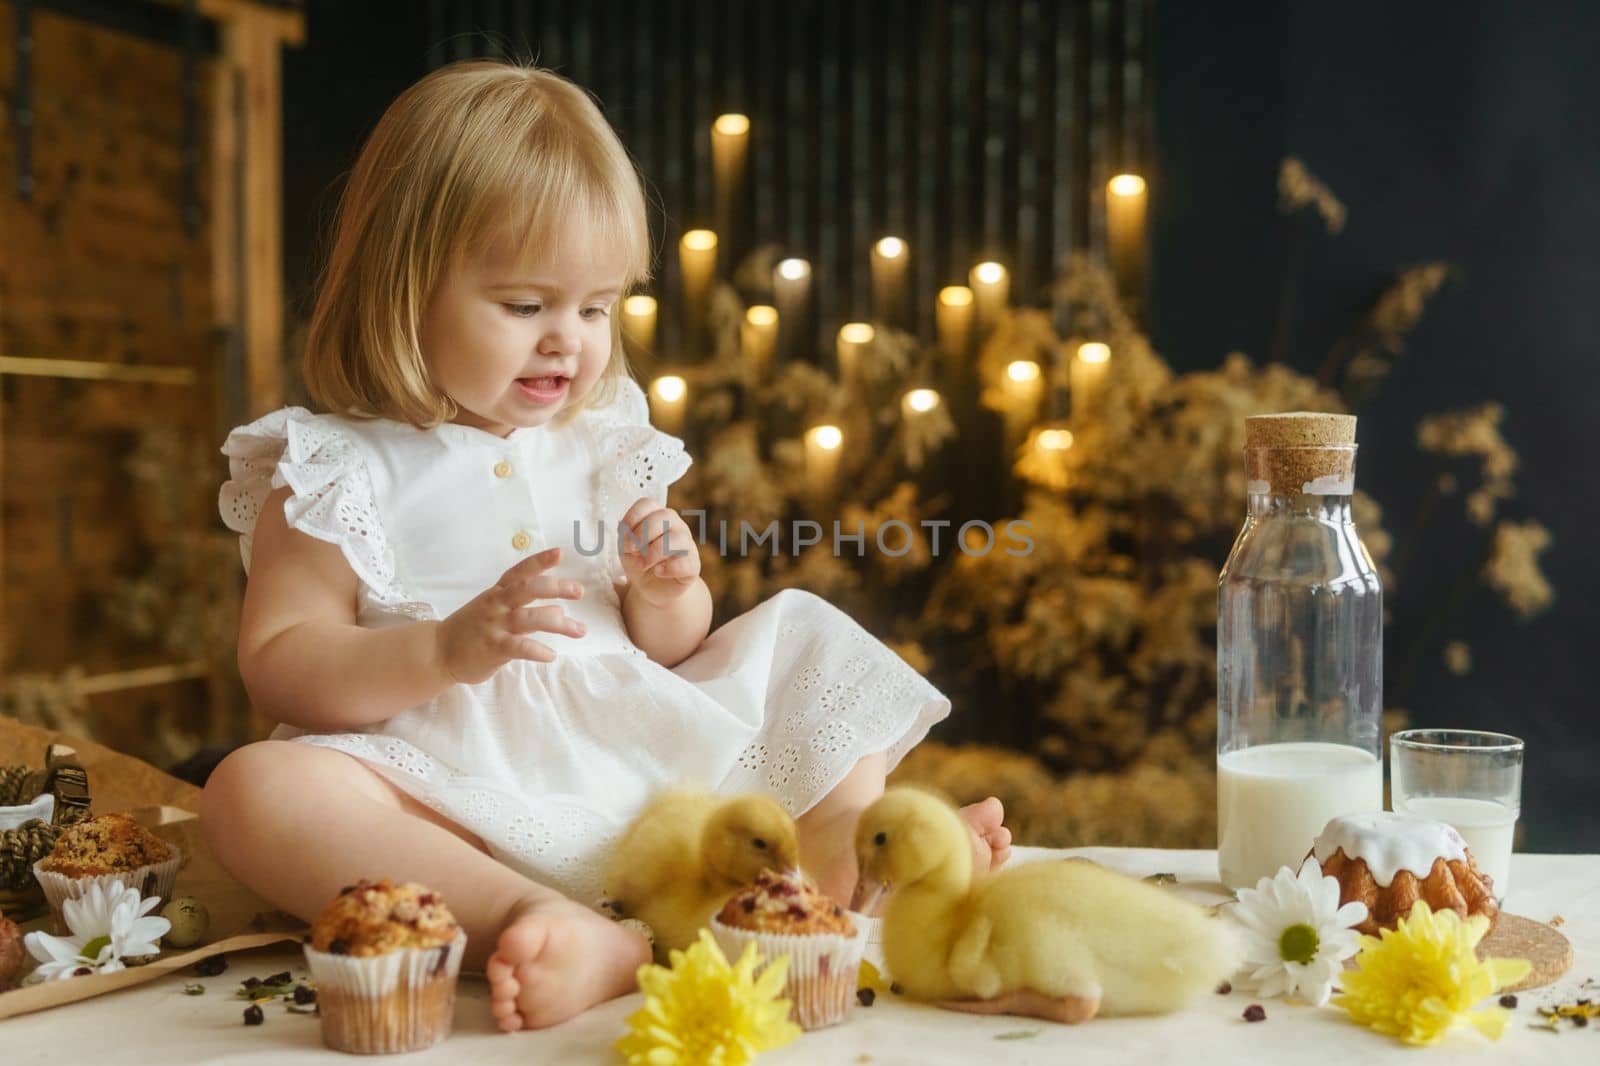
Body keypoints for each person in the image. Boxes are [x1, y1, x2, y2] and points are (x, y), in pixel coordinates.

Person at [202, 60, 1010, 1031]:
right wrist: (440, 652)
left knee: (800, 633)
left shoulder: (605, 439)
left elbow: (667, 652)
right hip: (457, 796)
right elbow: (281, 666)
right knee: (255, 790)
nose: (568, 342)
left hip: (648, 775)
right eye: (524, 304)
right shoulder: (335, 466)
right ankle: (535, 919)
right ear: (403, 287)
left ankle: (833, 857)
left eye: (594, 307)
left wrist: (667, 592)